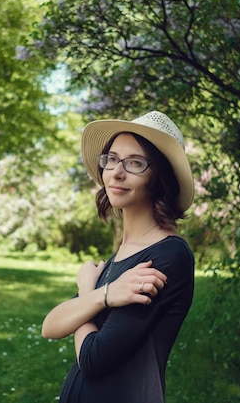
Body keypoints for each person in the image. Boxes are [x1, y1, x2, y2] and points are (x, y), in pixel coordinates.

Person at [42, 111, 196, 403]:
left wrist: (92, 291)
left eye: (135, 163)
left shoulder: (167, 256)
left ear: (160, 178)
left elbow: (92, 358)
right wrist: (104, 294)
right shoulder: (121, 256)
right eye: (111, 159)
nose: (117, 172)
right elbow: (50, 326)